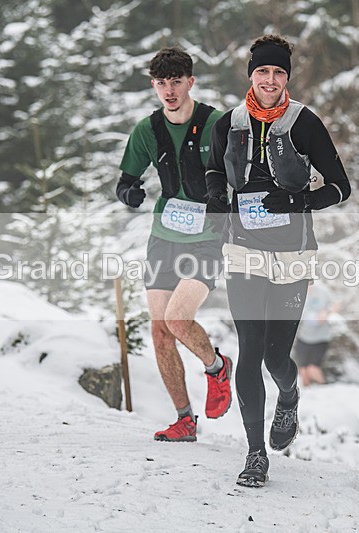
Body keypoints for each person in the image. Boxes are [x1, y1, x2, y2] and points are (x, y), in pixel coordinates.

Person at [205, 35, 351, 487]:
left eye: (279, 73)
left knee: (275, 357)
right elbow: (213, 170)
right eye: (263, 72)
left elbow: (341, 186)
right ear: (251, 75)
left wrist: (298, 201)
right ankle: (255, 455)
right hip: (243, 252)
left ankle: (289, 395)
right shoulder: (228, 123)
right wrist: (214, 197)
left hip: (292, 256)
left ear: (287, 78)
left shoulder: (304, 122)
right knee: (249, 353)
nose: (270, 80)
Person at [116, 47, 232, 443]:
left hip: (207, 239)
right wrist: (128, 192)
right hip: (164, 237)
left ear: (190, 82)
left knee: (178, 320)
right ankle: (185, 419)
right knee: (161, 332)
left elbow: (245, 173)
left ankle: (217, 367)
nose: (169, 90)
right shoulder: (147, 130)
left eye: (176, 82)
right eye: (161, 83)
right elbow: (126, 179)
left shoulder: (217, 123)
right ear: (154, 85)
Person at [293, 282, 338, 386]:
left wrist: (327, 312)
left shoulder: (322, 290)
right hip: (303, 337)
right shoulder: (296, 293)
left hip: (321, 337)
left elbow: (336, 304)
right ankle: (307, 396)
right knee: (303, 370)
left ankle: (323, 389)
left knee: (313, 369)